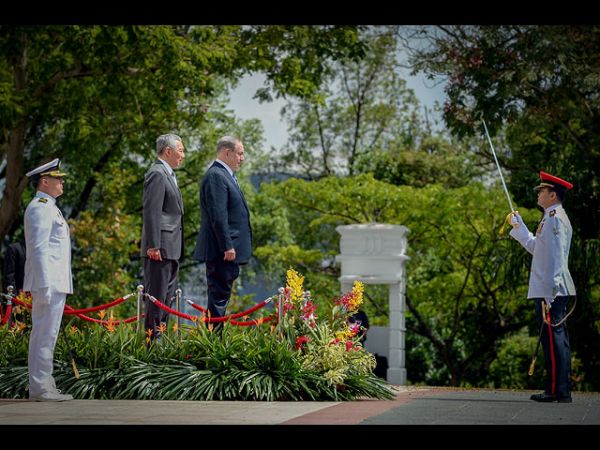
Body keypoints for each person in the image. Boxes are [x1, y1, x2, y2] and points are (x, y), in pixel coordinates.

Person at [509, 170, 576, 403]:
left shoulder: (556, 217)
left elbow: (558, 255)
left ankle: (558, 391)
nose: (538, 194)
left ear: (553, 195)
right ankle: (557, 389)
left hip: (552, 289)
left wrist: (553, 288)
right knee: (552, 339)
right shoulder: (549, 217)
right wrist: (519, 228)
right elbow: (539, 249)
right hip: (548, 287)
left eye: (542, 191)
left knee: (555, 338)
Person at [23, 158, 73, 402]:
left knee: (47, 334)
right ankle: (41, 387)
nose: (61, 182)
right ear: (44, 181)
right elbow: (39, 248)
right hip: (48, 282)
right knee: (44, 334)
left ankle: (44, 384)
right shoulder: (41, 207)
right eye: (58, 178)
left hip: (54, 281)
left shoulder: (49, 207)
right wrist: (42, 284)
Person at [193, 136, 252, 331]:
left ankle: (216, 343)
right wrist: (227, 245)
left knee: (222, 299)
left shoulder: (225, 175)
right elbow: (218, 215)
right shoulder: (216, 176)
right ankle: (214, 347)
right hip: (222, 252)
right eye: (240, 153)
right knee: (218, 301)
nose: (242, 158)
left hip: (228, 253)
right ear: (227, 152)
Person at [141, 134, 185, 342]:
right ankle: (151, 346)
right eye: (181, 150)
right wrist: (153, 245)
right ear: (168, 151)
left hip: (172, 247)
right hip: (160, 248)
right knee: (156, 298)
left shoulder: (169, 175)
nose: (183, 156)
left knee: (166, 298)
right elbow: (152, 211)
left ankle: (162, 341)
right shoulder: (157, 174)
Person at [2, 239, 26, 325]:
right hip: (17, 300)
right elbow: (9, 277)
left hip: (34, 301)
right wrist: (15, 301)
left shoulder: (38, 251)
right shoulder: (14, 249)